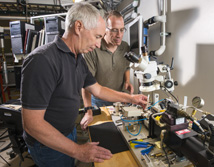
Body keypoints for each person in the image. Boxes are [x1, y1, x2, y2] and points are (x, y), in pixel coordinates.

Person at [21, 2, 147, 167]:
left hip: (68, 132)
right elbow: (32, 125)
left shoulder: (77, 58)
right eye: (97, 37)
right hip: (47, 143)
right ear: (78, 27)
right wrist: (77, 150)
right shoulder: (42, 60)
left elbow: (98, 90)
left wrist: (132, 99)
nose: (97, 44)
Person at [82, 10, 134, 108]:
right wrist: (88, 109)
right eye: (114, 30)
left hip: (120, 98)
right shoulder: (93, 49)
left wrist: (127, 81)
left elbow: (126, 67)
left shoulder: (125, 47)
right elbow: (86, 84)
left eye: (122, 30)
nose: (119, 35)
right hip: (99, 100)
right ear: (104, 29)